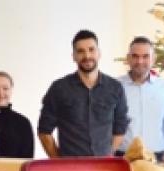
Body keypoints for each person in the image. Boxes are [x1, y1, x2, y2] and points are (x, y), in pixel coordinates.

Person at [38, 30, 128, 158]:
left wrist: (107, 155)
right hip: (70, 168)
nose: (87, 55)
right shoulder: (59, 88)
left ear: (99, 53)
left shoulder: (115, 88)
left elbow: (120, 128)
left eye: (91, 49)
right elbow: (44, 131)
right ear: (73, 56)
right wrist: (59, 163)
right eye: (80, 51)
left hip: (103, 168)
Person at [118, 36, 164, 161]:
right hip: (123, 156)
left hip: (157, 156)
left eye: (145, 56)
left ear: (153, 59)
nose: (140, 61)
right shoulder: (115, 86)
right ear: (128, 58)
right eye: (135, 56)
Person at [0, 72, 35, 158]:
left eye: (5, 88)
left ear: (11, 90)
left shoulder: (23, 123)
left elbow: (27, 159)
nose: (1, 93)